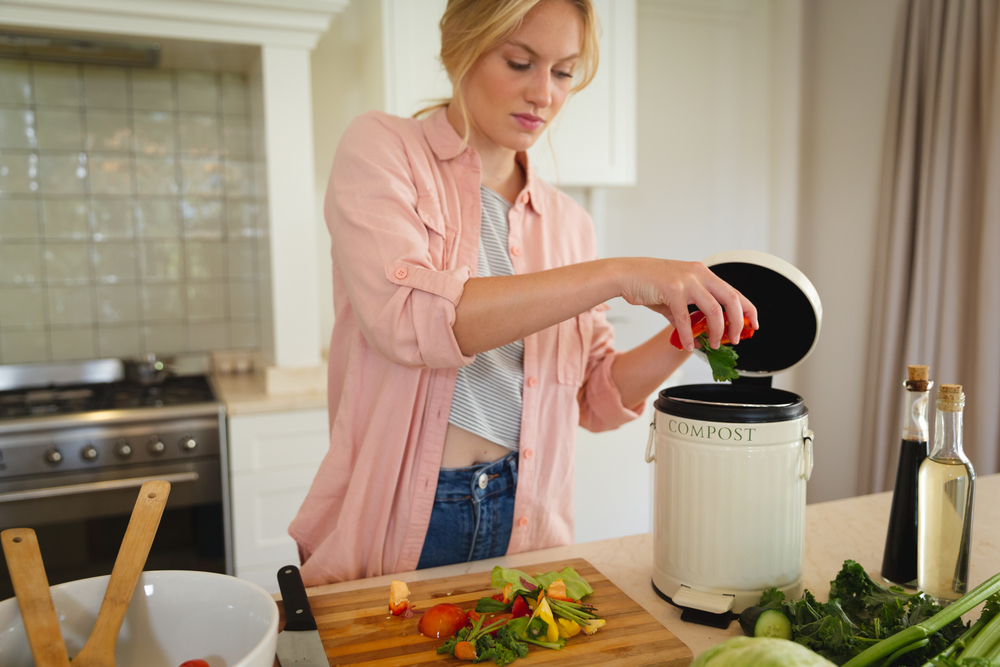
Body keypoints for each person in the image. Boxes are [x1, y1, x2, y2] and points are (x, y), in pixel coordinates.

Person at [289, 0, 758, 586]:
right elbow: (410, 320)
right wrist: (617, 273)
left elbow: (594, 397)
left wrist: (685, 333)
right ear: (460, 49)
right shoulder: (384, 149)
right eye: (519, 62)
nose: (544, 93)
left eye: (563, 72)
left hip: (527, 515)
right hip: (405, 514)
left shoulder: (568, 222)